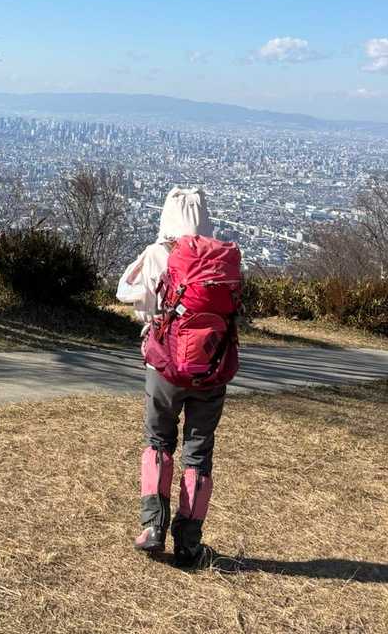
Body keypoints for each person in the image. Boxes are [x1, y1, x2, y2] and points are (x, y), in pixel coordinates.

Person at [117, 186, 227, 565]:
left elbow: (126, 293)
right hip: (211, 369)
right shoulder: (221, 258)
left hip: (164, 367)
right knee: (199, 452)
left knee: (159, 441)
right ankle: (189, 544)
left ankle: (153, 527)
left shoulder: (156, 254)